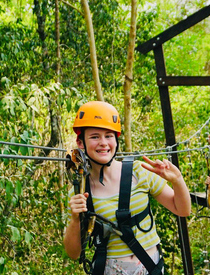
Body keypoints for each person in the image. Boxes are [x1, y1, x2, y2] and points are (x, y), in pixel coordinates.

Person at [64, 101, 191, 275]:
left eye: (109, 136)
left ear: (116, 140)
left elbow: (182, 210)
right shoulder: (81, 191)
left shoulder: (139, 171)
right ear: (80, 142)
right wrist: (75, 219)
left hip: (150, 268)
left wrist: (177, 180)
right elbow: (73, 253)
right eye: (94, 137)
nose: (103, 143)